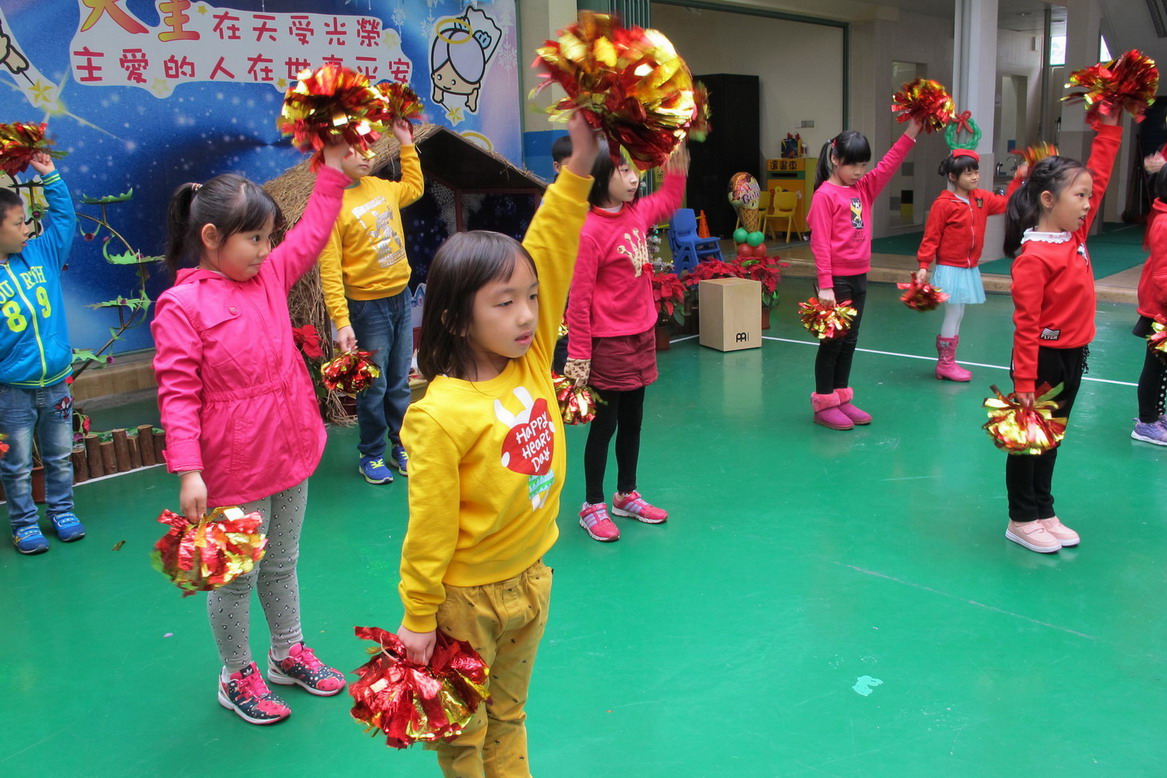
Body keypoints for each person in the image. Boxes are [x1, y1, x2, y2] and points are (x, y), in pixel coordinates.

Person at [394, 112, 598, 776]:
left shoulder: (532, 358)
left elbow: (553, 243)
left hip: (533, 578)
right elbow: (429, 527)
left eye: (530, 298)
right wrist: (418, 616)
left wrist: (580, 162)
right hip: (466, 603)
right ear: (456, 318)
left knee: (509, 715)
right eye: (504, 303)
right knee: (462, 731)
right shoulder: (438, 415)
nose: (526, 314)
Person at [152, 141, 352, 724]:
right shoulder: (181, 306)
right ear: (211, 237)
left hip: (291, 450)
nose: (266, 251)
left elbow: (311, 235)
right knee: (235, 579)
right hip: (234, 469)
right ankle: (235, 672)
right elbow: (177, 395)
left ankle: (287, 652)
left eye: (269, 239)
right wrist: (189, 470)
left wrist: (332, 173)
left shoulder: (268, 276)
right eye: (254, 239)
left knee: (283, 561)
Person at [1001, 112, 1122, 553]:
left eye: (1089, 196)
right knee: (1030, 441)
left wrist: (1110, 127)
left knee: (1053, 437)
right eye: (1080, 196)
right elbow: (1026, 325)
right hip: (1041, 361)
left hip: (1074, 354)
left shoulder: (1075, 236)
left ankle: (1043, 508)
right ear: (1049, 200)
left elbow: (1100, 175)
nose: (1088, 204)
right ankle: (1021, 518)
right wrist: (1024, 381)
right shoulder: (1034, 257)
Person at [563, 141, 688, 542]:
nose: (634, 179)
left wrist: (676, 165)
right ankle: (592, 504)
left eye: (635, 170)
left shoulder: (636, 213)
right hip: (608, 344)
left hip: (641, 336)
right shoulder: (589, 232)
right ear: (601, 178)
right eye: (624, 171)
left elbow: (667, 199)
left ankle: (626, 494)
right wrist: (579, 355)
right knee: (606, 425)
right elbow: (579, 300)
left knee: (633, 421)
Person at [319, 118, 423, 484]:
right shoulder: (331, 206)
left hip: (401, 299)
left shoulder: (381, 187)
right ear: (334, 156)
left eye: (367, 148)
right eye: (353, 150)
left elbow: (415, 187)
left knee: (399, 380)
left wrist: (406, 143)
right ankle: (371, 453)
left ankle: (401, 445)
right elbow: (330, 269)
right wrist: (342, 320)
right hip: (367, 308)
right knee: (374, 386)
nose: (365, 156)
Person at [807, 119, 922, 430]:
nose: (859, 171)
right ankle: (824, 402)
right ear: (835, 159)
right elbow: (820, 243)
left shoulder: (863, 188)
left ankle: (841, 397)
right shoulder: (824, 195)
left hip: (859, 276)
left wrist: (912, 131)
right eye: (853, 165)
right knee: (833, 342)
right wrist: (826, 285)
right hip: (836, 281)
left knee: (850, 340)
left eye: (863, 165)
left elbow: (889, 164)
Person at [0, 152, 84, 554]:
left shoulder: (41, 253)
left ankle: (62, 511)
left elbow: (65, 220)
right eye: (18, 223)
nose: (27, 228)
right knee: (16, 464)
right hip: (12, 392)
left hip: (56, 386)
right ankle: (23, 524)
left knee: (59, 456)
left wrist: (50, 176)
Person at [916, 149, 1024, 381]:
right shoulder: (943, 204)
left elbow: (1008, 203)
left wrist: (1018, 179)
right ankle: (945, 364)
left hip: (968, 268)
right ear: (953, 177)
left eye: (976, 172)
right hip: (950, 268)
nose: (975, 177)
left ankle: (947, 362)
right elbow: (931, 237)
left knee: (958, 313)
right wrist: (924, 264)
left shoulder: (981, 198)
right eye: (968, 173)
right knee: (954, 313)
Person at [1131, 154, 1167, 445]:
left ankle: (1157, 414)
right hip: (1160, 310)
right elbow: (1163, 274)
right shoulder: (1164, 224)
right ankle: (1146, 422)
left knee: (1163, 367)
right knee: (1155, 367)